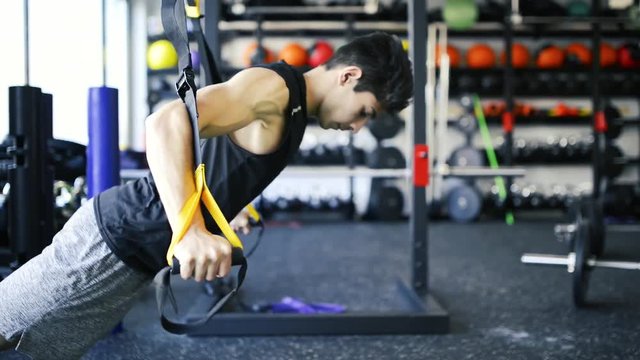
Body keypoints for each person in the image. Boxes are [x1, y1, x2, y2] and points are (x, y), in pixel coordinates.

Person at [0, 31, 413, 359]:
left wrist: (223, 212)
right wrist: (192, 229)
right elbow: (165, 122)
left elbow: (215, 157)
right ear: (349, 76)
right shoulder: (275, 88)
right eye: (366, 113)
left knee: (37, 346)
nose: (359, 127)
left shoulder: (295, 109)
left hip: (134, 260)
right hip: (113, 240)